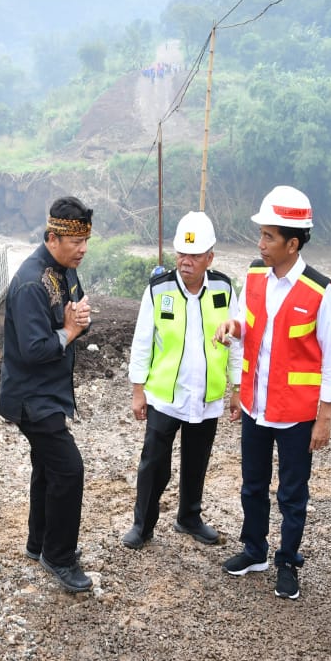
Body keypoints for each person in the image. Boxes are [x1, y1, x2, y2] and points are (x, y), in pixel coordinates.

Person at [213, 185, 331, 601]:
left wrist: (324, 417)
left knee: (292, 493)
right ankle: (255, 550)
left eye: (269, 237)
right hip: (255, 403)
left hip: (297, 414)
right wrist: (232, 328)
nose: (261, 244)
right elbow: (244, 320)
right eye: (261, 236)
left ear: (293, 243)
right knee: (252, 484)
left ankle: (287, 560)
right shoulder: (254, 275)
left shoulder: (319, 291)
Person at [122, 211, 241, 550]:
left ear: (210, 257)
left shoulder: (223, 287)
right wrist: (137, 391)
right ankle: (142, 525)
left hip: (206, 395)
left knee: (196, 461)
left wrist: (236, 388)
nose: (186, 262)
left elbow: (235, 343)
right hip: (165, 395)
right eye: (181, 254)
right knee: (154, 464)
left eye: (194, 255)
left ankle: (189, 517)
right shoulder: (159, 290)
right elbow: (142, 342)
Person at [0, 196, 94, 593]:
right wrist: (71, 332)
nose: (83, 250)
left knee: (47, 467)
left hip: (50, 393)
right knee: (69, 470)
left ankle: (38, 543)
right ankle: (59, 555)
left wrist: (79, 324)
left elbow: (75, 317)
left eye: (86, 241)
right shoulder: (28, 283)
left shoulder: (66, 271)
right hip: (31, 397)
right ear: (53, 237)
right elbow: (33, 349)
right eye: (76, 243)